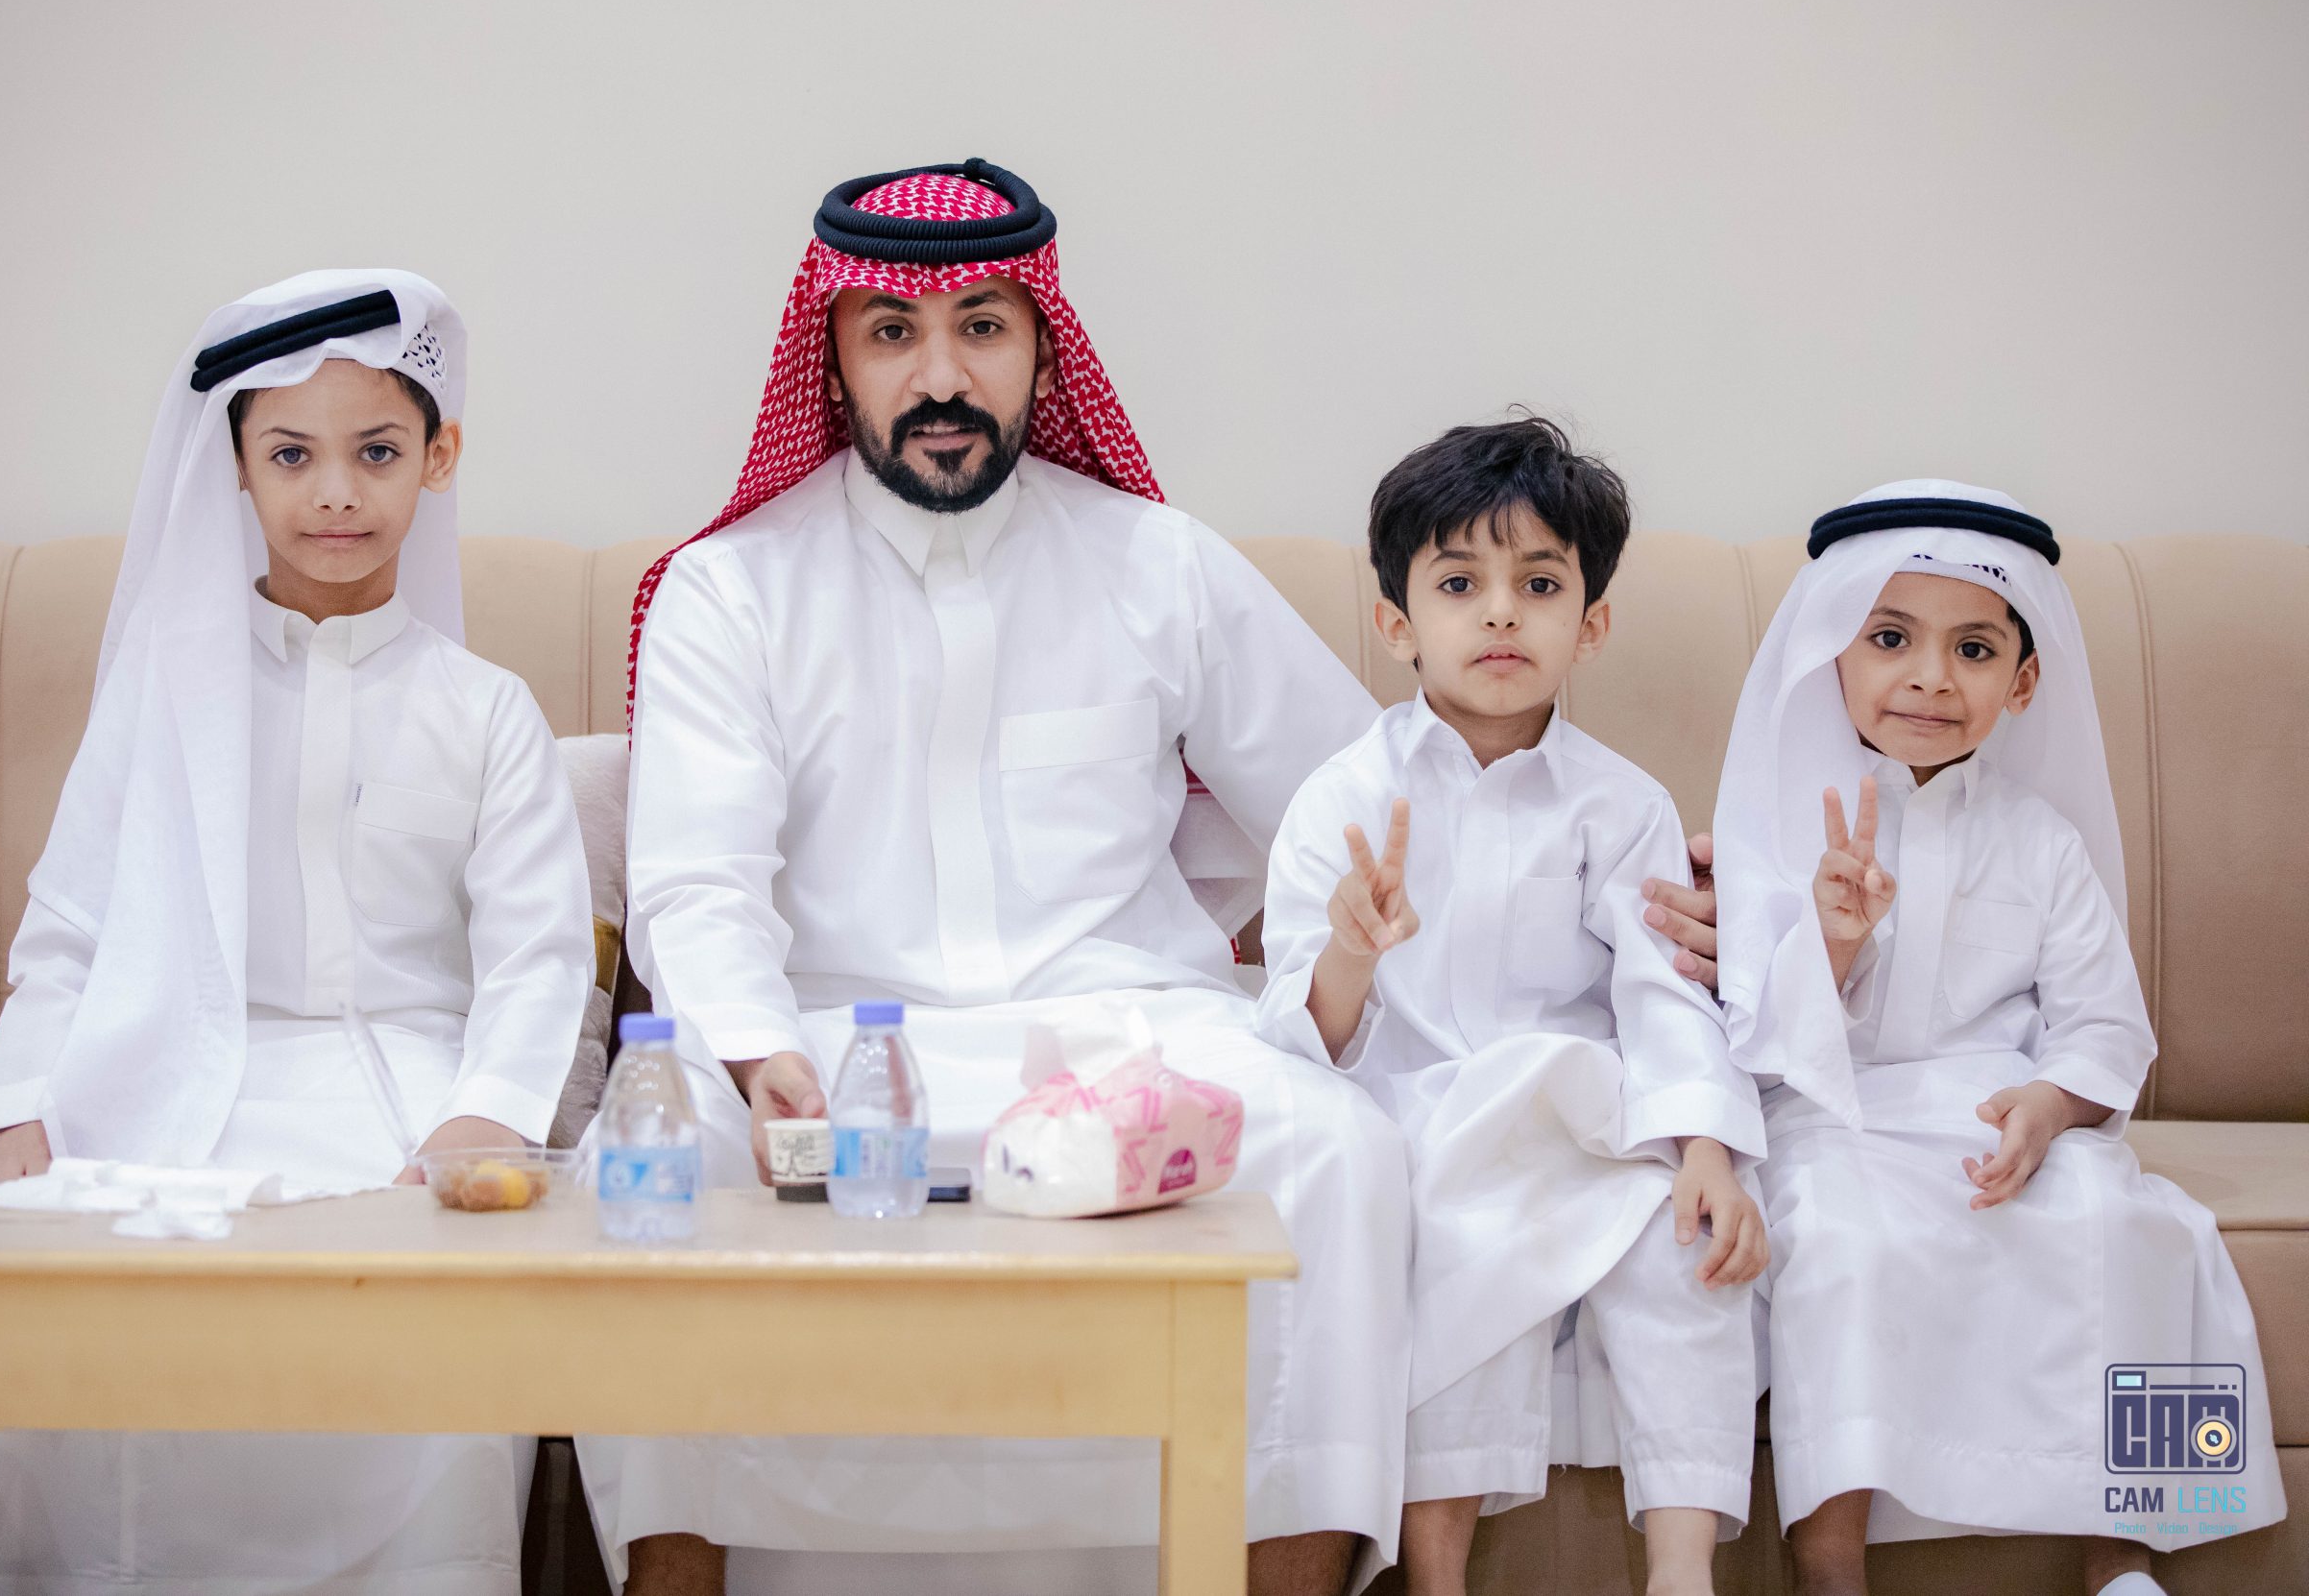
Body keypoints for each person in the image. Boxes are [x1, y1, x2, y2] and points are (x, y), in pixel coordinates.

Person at [584, 157, 1416, 1596]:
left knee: (1336, 1149)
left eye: (981, 327)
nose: (941, 376)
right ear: (832, 361)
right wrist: (757, 1053)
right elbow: (696, 879)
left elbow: (1357, 808)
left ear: (1042, 347)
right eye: (893, 334)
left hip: (1129, 1040)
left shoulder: (1157, 563)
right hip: (831, 1043)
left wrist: (1625, 873)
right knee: (655, 1162)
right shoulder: (733, 589)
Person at [0, 271, 594, 1595]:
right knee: (45, 1333)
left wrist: (482, 1120)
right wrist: (21, 1105)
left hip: (404, 1107)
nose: (335, 493)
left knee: (427, 1344)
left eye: (377, 452)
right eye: (291, 454)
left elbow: (536, 957)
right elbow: (72, 918)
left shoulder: (485, 709)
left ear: (439, 458)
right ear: (235, 465)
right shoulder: (163, 691)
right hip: (165, 1084)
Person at [1712, 482, 2287, 1596]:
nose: (1930, 677)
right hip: (1837, 1125)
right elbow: (1758, 1035)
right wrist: (1834, 938)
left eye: (1972, 649)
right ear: (1834, 655)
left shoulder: (2042, 842)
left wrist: (2051, 1105)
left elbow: (2105, 1024)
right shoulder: (1778, 822)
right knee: (1838, 1240)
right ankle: (1828, 1561)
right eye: (1890, 638)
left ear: (2020, 683)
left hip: (1999, 1116)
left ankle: (2124, 1556)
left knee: (2133, 1225)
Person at [1255, 418, 1766, 1596]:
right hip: (1414, 1123)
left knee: (1685, 1248)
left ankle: (1682, 1571)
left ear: (1589, 626)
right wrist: (1351, 952)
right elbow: (1299, 1031)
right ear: (1396, 624)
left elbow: (1664, 996)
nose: (1500, 613)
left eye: (1538, 584)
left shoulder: (1621, 806)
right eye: (1458, 584)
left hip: (1580, 1122)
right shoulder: (1342, 797)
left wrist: (1704, 1147)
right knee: (1462, 1222)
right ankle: (1433, 1575)